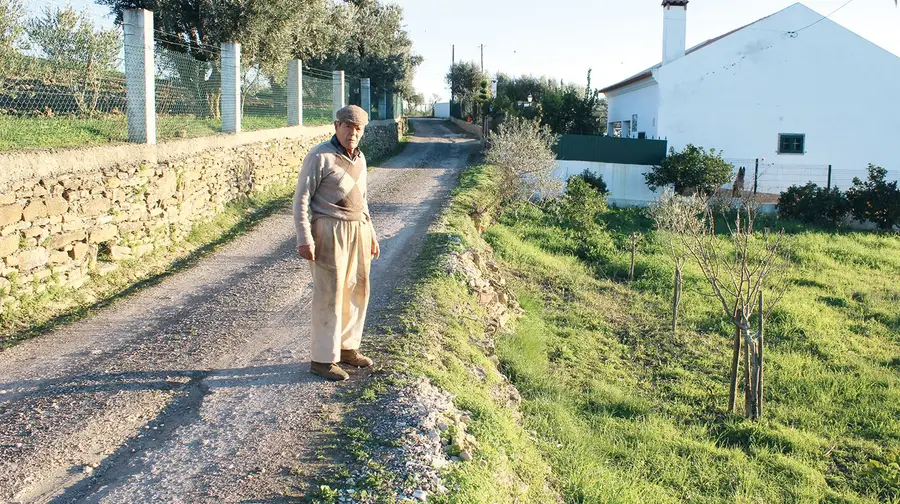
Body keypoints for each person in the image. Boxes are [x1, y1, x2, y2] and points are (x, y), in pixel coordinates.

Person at [293, 105, 380, 381]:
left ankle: (348, 348)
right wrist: (304, 236)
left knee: (357, 290)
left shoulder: (361, 159)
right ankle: (322, 359)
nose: (353, 132)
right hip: (329, 229)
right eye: (348, 126)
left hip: (358, 229)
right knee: (329, 294)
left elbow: (363, 199)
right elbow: (301, 199)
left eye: (358, 128)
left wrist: (372, 233)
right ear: (336, 126)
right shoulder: (320, 156)